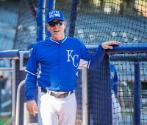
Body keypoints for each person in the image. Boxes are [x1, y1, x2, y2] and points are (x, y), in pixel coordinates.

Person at [25, 9, 120, 125]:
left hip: (69, 99)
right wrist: (30, 98)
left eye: (59, 23)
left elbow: (91, 64)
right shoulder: (39, 47)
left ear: (64, 25)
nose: (56, 26)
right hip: (47, 99)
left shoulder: (76, 44)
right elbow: (30, 74)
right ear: (48, 27)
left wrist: (101, 48)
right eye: (52, 24)